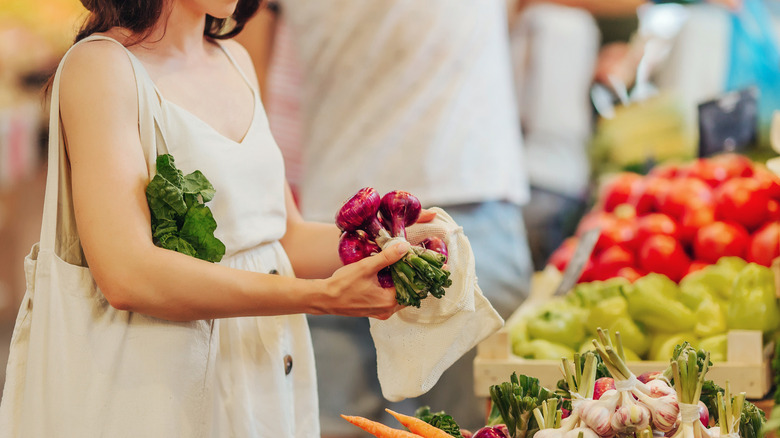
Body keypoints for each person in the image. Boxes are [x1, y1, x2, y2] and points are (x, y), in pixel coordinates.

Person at [0, 0, 437, 436]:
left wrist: (397, 241)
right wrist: (319, 297)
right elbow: (126, 274)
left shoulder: (236, 60)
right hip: (157, 392)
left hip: (264, 375)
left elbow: (281, 239)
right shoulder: (100, 68)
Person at [238, 1, 534, 434]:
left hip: (467, 206)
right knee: (333, 423)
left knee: (480, 424)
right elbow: (247, 72)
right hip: (335, 234)